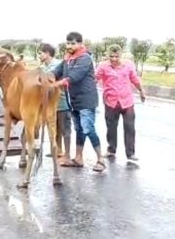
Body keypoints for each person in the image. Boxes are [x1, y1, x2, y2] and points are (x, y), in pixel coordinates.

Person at [51, 31, 104, 172]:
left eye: (73, 43)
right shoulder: (68, 58)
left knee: (88, 128)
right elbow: (57, 71)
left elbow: (74, 77)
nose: (69, 45)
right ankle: (78, 158)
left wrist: (56, 84)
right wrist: (45, 77)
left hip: (86, 100)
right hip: (73, 100)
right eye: (68, 43)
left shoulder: (85, 58)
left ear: (80, 44)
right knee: (79, 129)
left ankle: (100, 159)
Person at [95, 44, 146, 162]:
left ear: (120, 55)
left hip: (127, 101)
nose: (113, 59)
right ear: (108, 55)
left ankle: (130, 153)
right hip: (111, 101)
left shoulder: (128, 65)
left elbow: (134, 79)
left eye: (116, 56)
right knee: (111, 127)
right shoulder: (103, 66)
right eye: (111, 56)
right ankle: (111, 149)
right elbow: (95, 78)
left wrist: (141, 91)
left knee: (130, 127)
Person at [38, 43, 74, 166]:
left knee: (64, 128)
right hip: (50, 103)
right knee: (54, 127)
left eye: (40, 53)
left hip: (62, 101)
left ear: (47, 53)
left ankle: (67, 154)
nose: (39, 56)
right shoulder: (44, 67)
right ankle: (58, 150)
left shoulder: (58, 65)